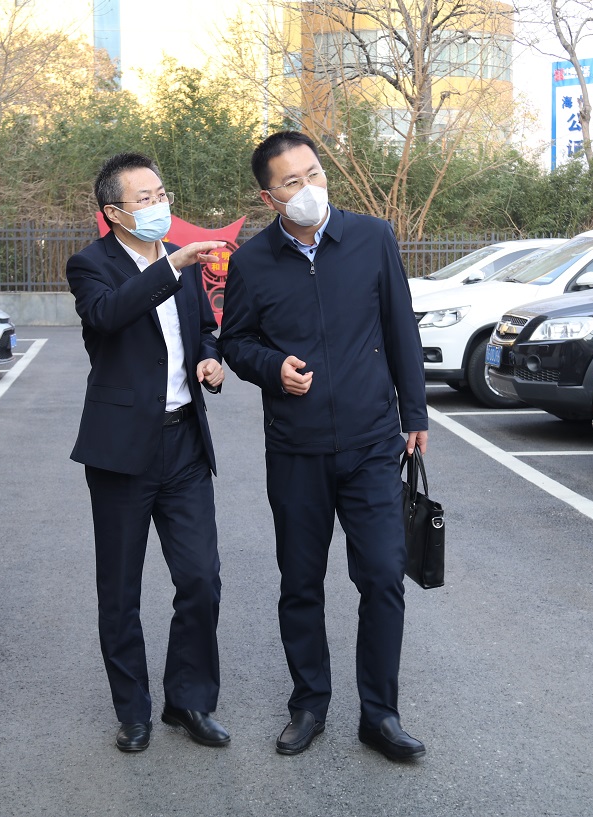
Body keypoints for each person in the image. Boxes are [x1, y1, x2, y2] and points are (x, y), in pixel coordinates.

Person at [219, 131, 429, 761]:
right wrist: (272, 367)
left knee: (383, 577)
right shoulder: (253, 262)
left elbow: (400, 326)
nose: (308, 187)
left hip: (371, 442)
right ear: (269, 197)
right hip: (296, 448)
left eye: (313, 172)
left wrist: (415, 412)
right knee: (301, 583)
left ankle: (380, 715)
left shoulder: (372, 238)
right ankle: (309, 703)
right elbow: (236, 342)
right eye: (291, 182)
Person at [66, 153, 230, 753]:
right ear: (114, 213)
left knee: (201, 580)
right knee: (121, 590)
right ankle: (132, 711)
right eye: (145, 197)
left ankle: (188, 701)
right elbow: (107, 316)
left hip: (184, 441)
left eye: (162, 193)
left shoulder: (178, 259)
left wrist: (209, 357)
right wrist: (171, 268)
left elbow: (203, 328)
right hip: (121, 450)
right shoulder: (91, 265)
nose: (159, 204)